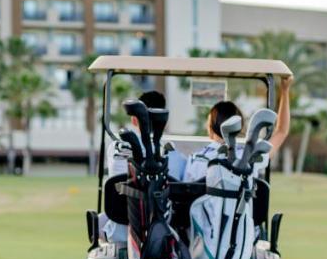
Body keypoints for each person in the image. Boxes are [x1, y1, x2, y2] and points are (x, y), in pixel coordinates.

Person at [102, 89, 186, 243]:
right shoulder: (177, 157)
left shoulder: (116, 148)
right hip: (164, 236)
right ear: (164, 120)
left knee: (101, 221)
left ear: (135, 120)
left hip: (121, 234)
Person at [182, 75, 292, 182]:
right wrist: (285, 90)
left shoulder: (195, 159)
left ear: (210, 128)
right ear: (239, 126)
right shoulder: (251, 154)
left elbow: (186, 192)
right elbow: (282, 131)